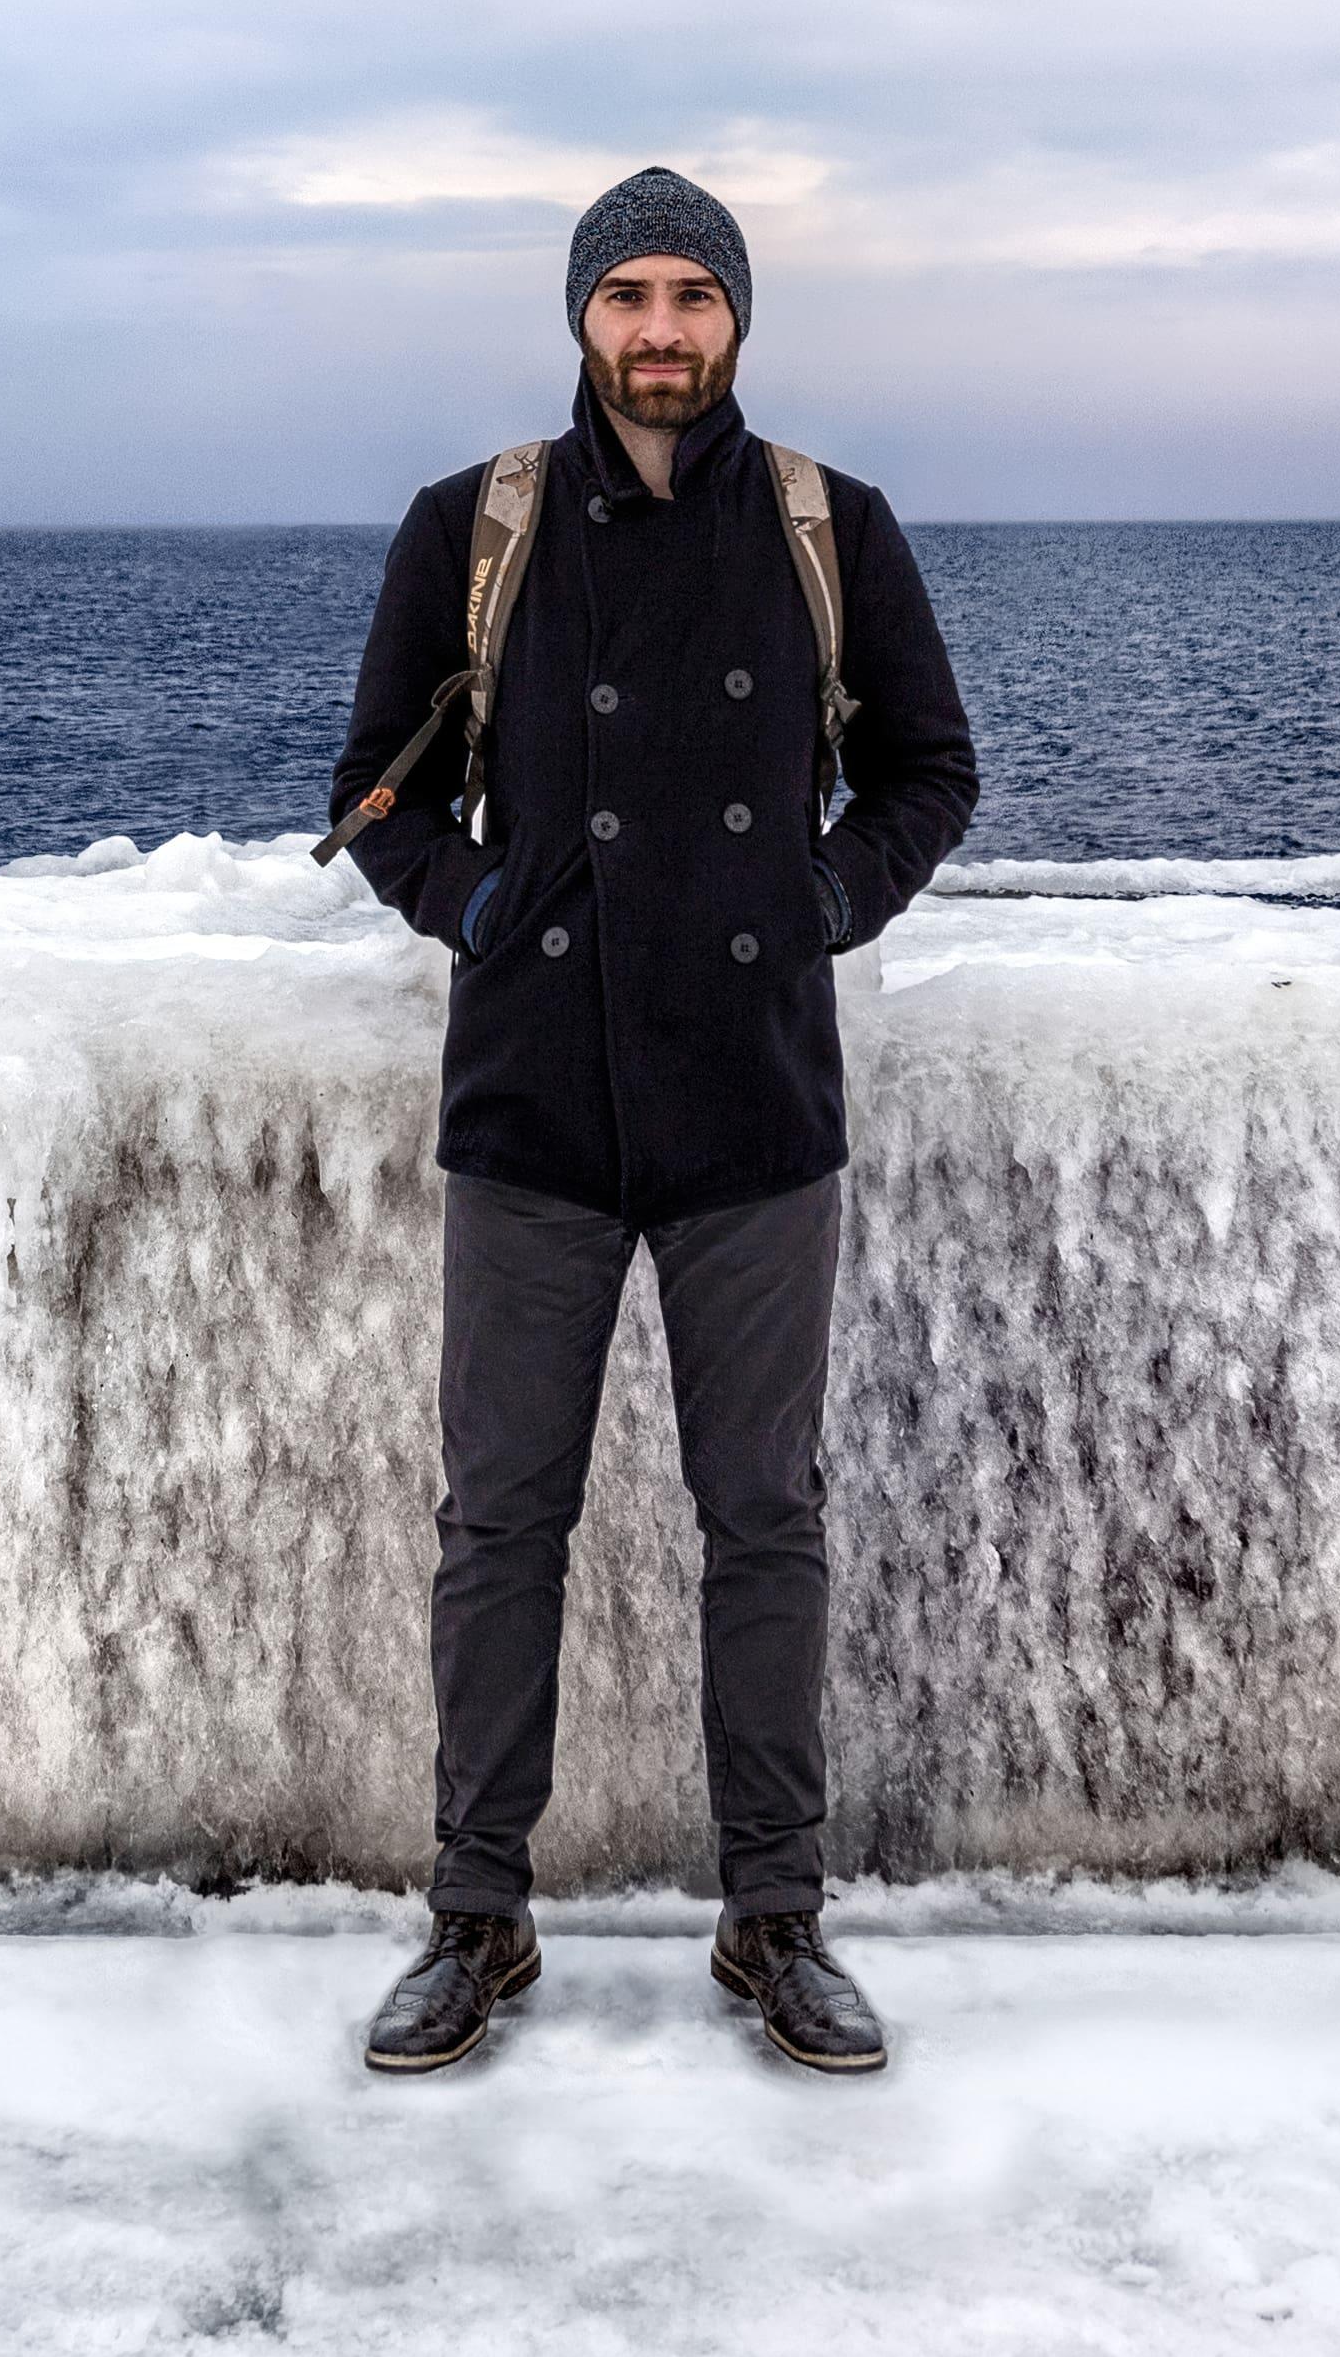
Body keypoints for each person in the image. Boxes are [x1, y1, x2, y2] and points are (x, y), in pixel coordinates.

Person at [323, 165, 980, 2076]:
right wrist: (473, 909)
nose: (662, 329)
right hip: (529, 1094)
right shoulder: (475, 524)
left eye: (693, 292)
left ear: (740, 319)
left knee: (761, 1516)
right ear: (581, 319)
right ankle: (474, 1914)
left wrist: (823, 903)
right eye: (630, 293)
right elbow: (373, 786)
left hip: (754, 1098)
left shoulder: (827, 527)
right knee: (498, 1517)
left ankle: (775, 1917)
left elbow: (930, 771)